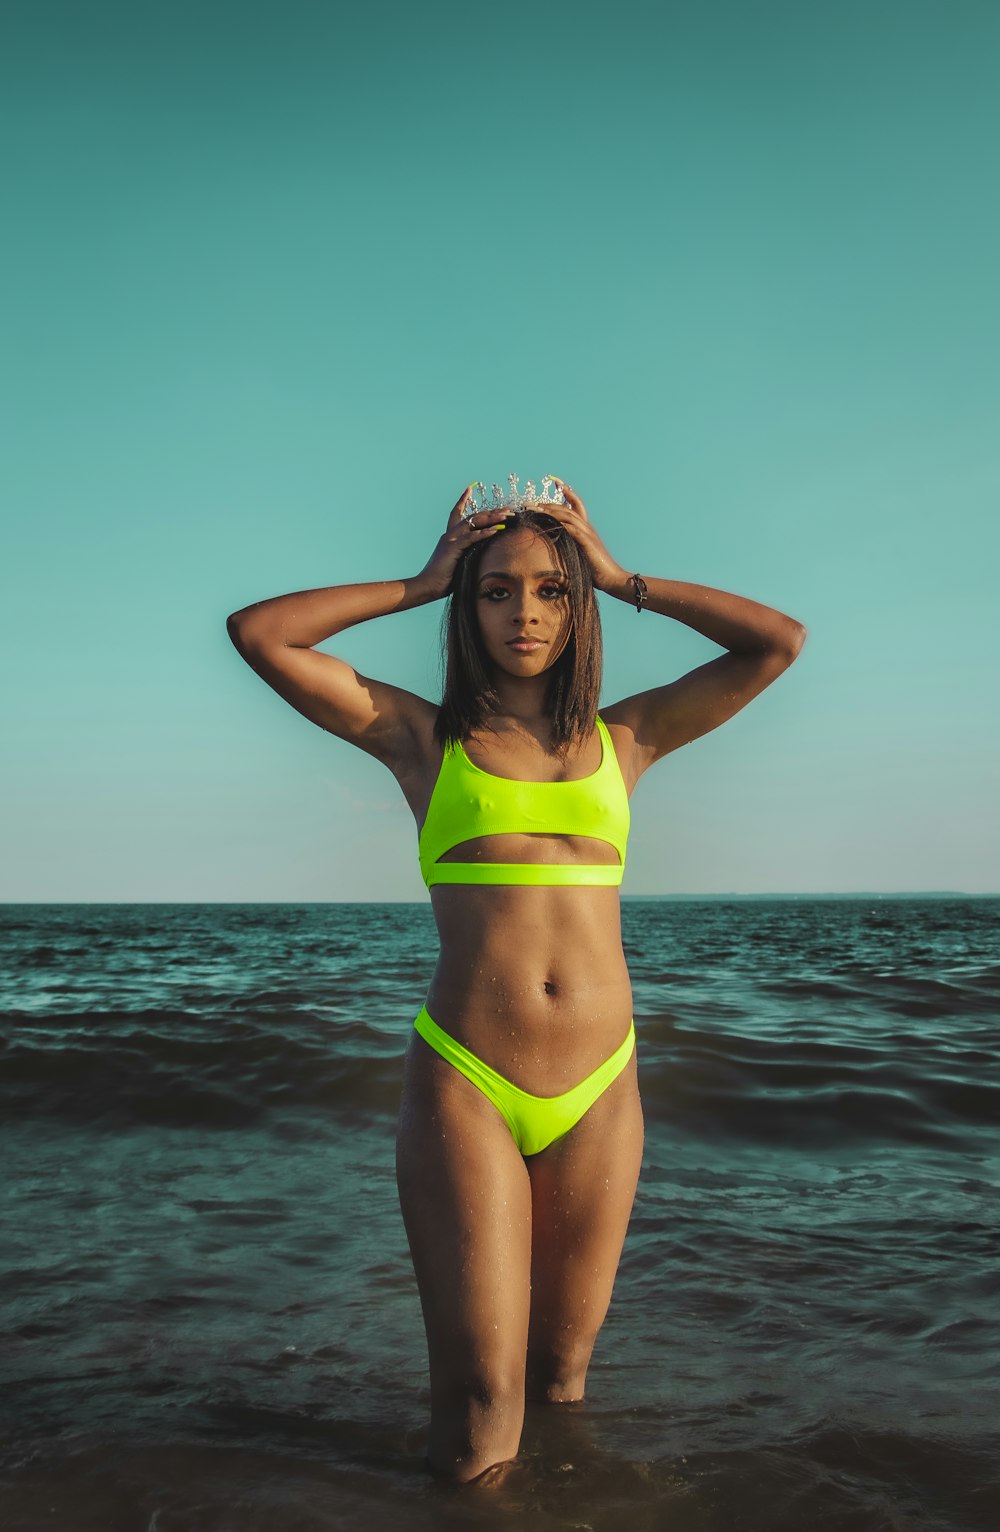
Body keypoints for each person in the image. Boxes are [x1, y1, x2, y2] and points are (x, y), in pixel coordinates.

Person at [226, 476, 806, 1483]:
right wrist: (420, 580)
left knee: (561, 1379)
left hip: (600, 1087)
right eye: (496, 591)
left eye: (549, 589)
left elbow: (776, 641)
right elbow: (261, 633)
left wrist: (620, 576)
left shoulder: (628, 739)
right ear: (470, 606)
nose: (524, 612)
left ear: (576, 606)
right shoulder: (421, 739)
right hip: (469, 1081)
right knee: (481, 1403)